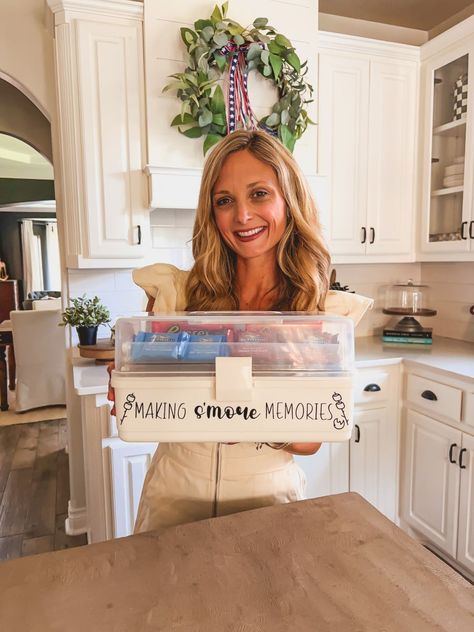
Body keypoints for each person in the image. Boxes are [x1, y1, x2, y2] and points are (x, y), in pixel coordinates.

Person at [109, 129, 373, 535]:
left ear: (289, 200)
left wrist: (249, 423)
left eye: (259, 194)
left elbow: (312, 438)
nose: (243, 216)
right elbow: (148, 401)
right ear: (211, 212)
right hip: (173, 493)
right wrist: (132, 386)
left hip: (266, 500)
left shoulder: (314, 312)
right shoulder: (177, 296)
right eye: (225, 201)